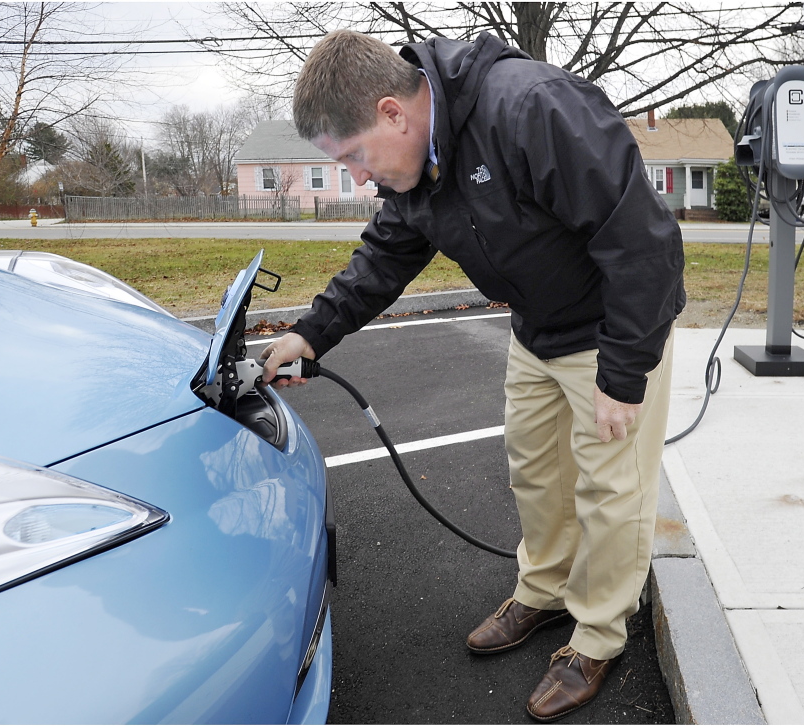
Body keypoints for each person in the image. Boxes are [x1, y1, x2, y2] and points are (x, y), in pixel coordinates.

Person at [262, 29, 685, 722]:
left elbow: (640, 240)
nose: (358, 177)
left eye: (354, 156)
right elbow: (386, 255)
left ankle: (599, 636)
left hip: (612, 327)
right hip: (536, 327)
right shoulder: (418, 162)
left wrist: (624, 373)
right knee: (535, 470)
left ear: (393, 112)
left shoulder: (533, 107)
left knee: (612, 488)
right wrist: (312, 333)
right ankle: (545, 591)